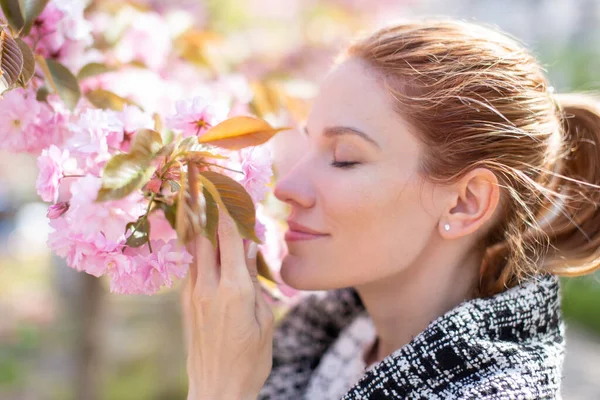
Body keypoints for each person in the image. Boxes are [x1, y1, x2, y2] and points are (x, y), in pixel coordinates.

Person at [180, 19, 600, 399]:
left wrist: (219, 388)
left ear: (465, 203)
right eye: (311, 146)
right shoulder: (328, 344)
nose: (287, 188)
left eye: (344, 157)